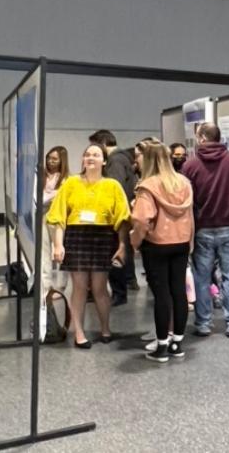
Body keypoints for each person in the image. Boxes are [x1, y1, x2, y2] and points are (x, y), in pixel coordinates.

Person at [46, 143, 130, 349]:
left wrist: (122, 246)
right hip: (76, 237)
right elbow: (58, 217)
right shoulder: (71, 183)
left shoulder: (112, 186)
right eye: (87, 155)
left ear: (104, 161)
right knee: (79, 288)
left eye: (96, 155)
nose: (91, 158)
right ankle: (79, 333)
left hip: (102, 237)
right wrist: (58, 244)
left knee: (100, 288)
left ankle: (105, 328)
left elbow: (122, 219)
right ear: (83, 160)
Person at [182, 123, 229, 337]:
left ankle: (203, 324)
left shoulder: (190, 166)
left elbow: (187, 201)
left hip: (202, 229)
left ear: (203, 138)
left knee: (201, 277)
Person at [130, 140, 194, 363]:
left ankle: (162, 347)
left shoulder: (148, 186)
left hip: (156, 245)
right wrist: (190, 241)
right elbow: (190, 216)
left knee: (162, 295)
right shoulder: (184, 183)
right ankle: (177, 342)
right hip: (181, 243)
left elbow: (140, 218)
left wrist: (135, 241)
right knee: (179, 292)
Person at [88, 129, 139, 305]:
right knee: (123, 250)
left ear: (102, 144)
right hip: (122, 212)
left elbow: (114, 188)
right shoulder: (124, 158)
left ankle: (119, 292)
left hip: (115, 215)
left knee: (116, 252)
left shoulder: (115, 161)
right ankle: (128, 283)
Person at [41, 146, 70, 293]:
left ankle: (61, 286)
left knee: (60, 252)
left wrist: (46, 198)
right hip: (42, 216)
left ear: (62, 161)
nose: (50, 161)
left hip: (58, 218)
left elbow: (56, 198)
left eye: (54, 159)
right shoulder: (41, 175)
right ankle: (45, 286)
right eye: (48, 158)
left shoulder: (66, 179)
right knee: (44, 251)